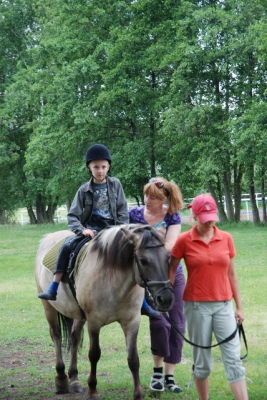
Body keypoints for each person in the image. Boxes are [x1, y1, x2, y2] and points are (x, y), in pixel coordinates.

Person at [169, 193, 249, 400]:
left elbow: (232, 274)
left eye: (212, 218)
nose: (209, 223)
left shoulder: (226, 238)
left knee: (233, 359)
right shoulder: (184, 240)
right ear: (194, 216)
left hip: (224, 305)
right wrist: (166, 300)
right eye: (205, 219)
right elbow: (171, 272)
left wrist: (239, 307)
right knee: (202, 361)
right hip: (196, 307)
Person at [38, 144, 129, 301]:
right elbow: (72, 215)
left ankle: (143, 300)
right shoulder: (83, 190)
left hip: (113, 229)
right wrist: (81, 230)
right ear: (89, 168)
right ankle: (53, 287)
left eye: (103, 167)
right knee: (66, 245)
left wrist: (119, 230)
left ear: (108, 167)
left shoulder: (116, 185)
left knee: (135, 252)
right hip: (91, 229)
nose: (100, 170)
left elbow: (122, 211)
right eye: (96, 167)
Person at [129, 177, 185, 394]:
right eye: (146, 195)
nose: (147, 200)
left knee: (177, 323)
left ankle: (170, 376)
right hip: (148, 276)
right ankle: (157, 373)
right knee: (159, 323)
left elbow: (171, 246)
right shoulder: (134, 214)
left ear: (163, 199)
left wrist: (145, 243)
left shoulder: (172, 216)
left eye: (152, 197)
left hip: (172, 274)